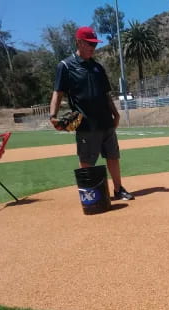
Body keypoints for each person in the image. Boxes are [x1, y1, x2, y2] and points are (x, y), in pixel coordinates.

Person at [49, 26, 134, 201]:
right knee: (87, 159)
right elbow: (58, 92)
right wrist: (53, 116)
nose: (92, 48)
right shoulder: (65, 66)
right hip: (86, 123)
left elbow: (106, 94)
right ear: (79, 42)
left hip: (105, 120)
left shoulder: (97, 68)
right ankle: (91, 194)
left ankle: (118, 189)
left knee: (112, 156)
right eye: (89, 44)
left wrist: (115, 114)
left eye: (94, 44)